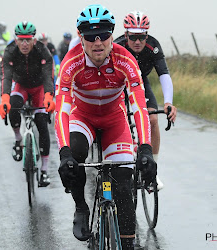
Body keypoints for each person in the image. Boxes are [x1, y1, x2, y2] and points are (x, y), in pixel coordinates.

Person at [55, 4, 157, 249]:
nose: (97, 41)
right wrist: (64, 152)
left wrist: (144, 147)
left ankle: (127, 242)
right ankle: (81, 207)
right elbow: (62, 109)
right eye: (90, 35)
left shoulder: (125, 59)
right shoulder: (71, 63)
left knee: (123, 180)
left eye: (104, 34)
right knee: (76, 155)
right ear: (81, 38)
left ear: (113, 35)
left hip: (114, 120)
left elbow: (139, 105)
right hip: (84, 118)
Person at [114, 11, 177, 190]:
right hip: (119, 84)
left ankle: (152, 171)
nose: (138, 42)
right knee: (119, 121)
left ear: (146, 35)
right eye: (133, 37)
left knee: (152, 119)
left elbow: (164, 74)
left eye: (142, 37)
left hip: (141, 83)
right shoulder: (117, 46)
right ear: (126, 35)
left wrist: (168, 102)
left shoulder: (153, 46)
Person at [0, 21, 55, 187]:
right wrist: (4, 98)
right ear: (16, 40)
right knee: (13, 106)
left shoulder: (42, 51)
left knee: (42, 124)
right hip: (21, 85)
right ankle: (18, 139)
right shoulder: (9, 51)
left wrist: (49, 96)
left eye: (28, 40)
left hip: (39, 88)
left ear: (34, 40)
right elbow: (6, 76)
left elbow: (47, 76)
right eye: (21, 40)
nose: (24, 43)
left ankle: (44, 170)